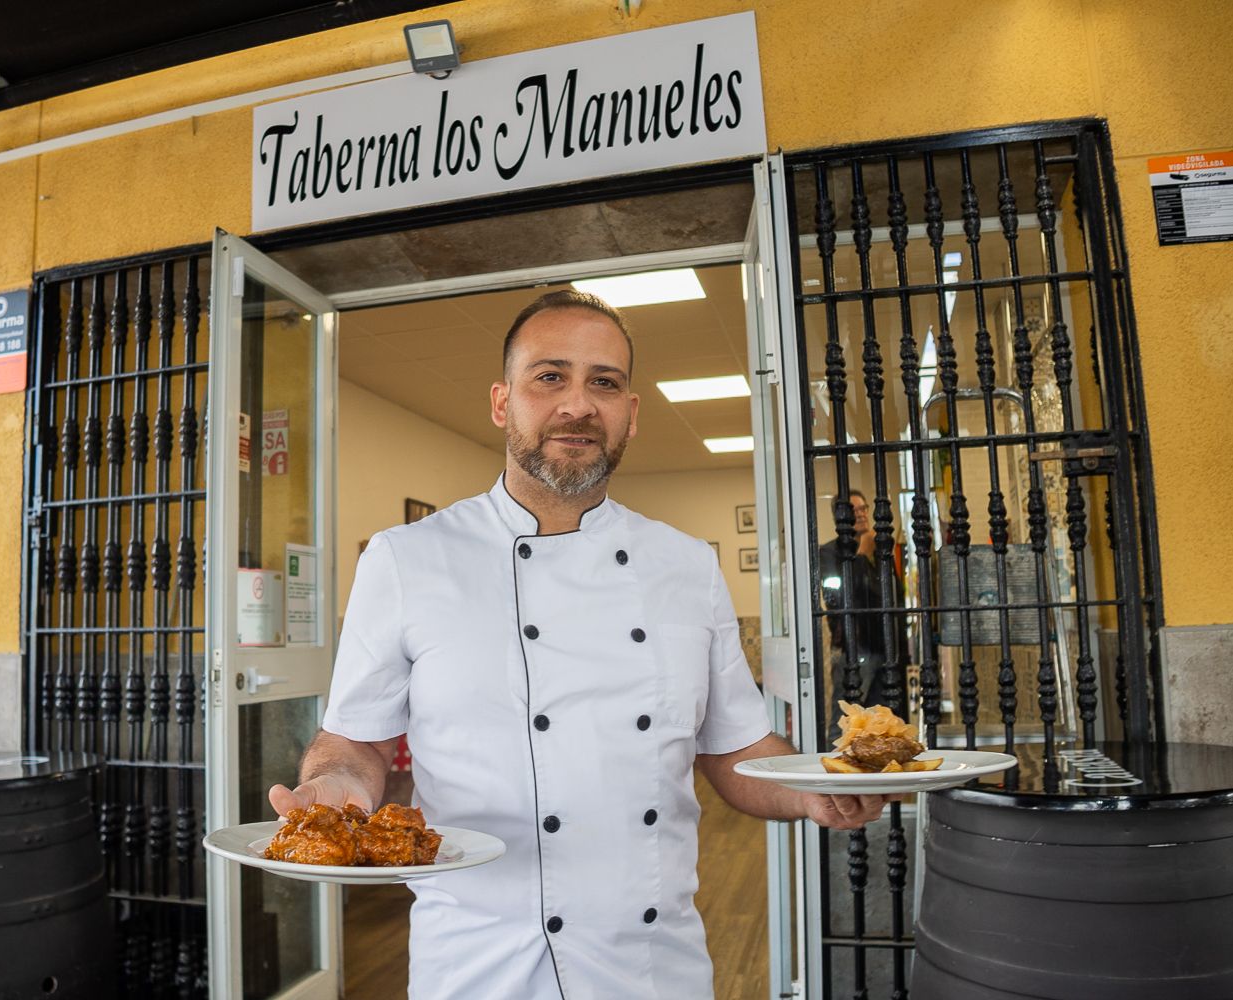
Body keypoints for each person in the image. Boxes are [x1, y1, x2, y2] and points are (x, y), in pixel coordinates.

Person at [269, 290, 894, 999]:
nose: (579, 404)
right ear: (503, 403)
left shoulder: (687, 565)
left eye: (606, 382)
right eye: (550, 377)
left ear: (632, 411)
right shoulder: (406, 560)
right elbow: (356, 744)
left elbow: (733, 750)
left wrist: (819, 792)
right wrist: (333, 791)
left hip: (651, 963)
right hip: (477, 962)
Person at [818, 490, 908, 740]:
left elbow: (894, 597)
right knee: (846, 724)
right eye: (854, 511)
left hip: (886, 649)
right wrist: (860, 557)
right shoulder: (828, 554)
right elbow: (840, 599)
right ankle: (837, 772)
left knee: (882, 726)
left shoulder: (880, 552)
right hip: (854, 650)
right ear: (840, 517)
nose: (861, 515)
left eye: (863, 509)